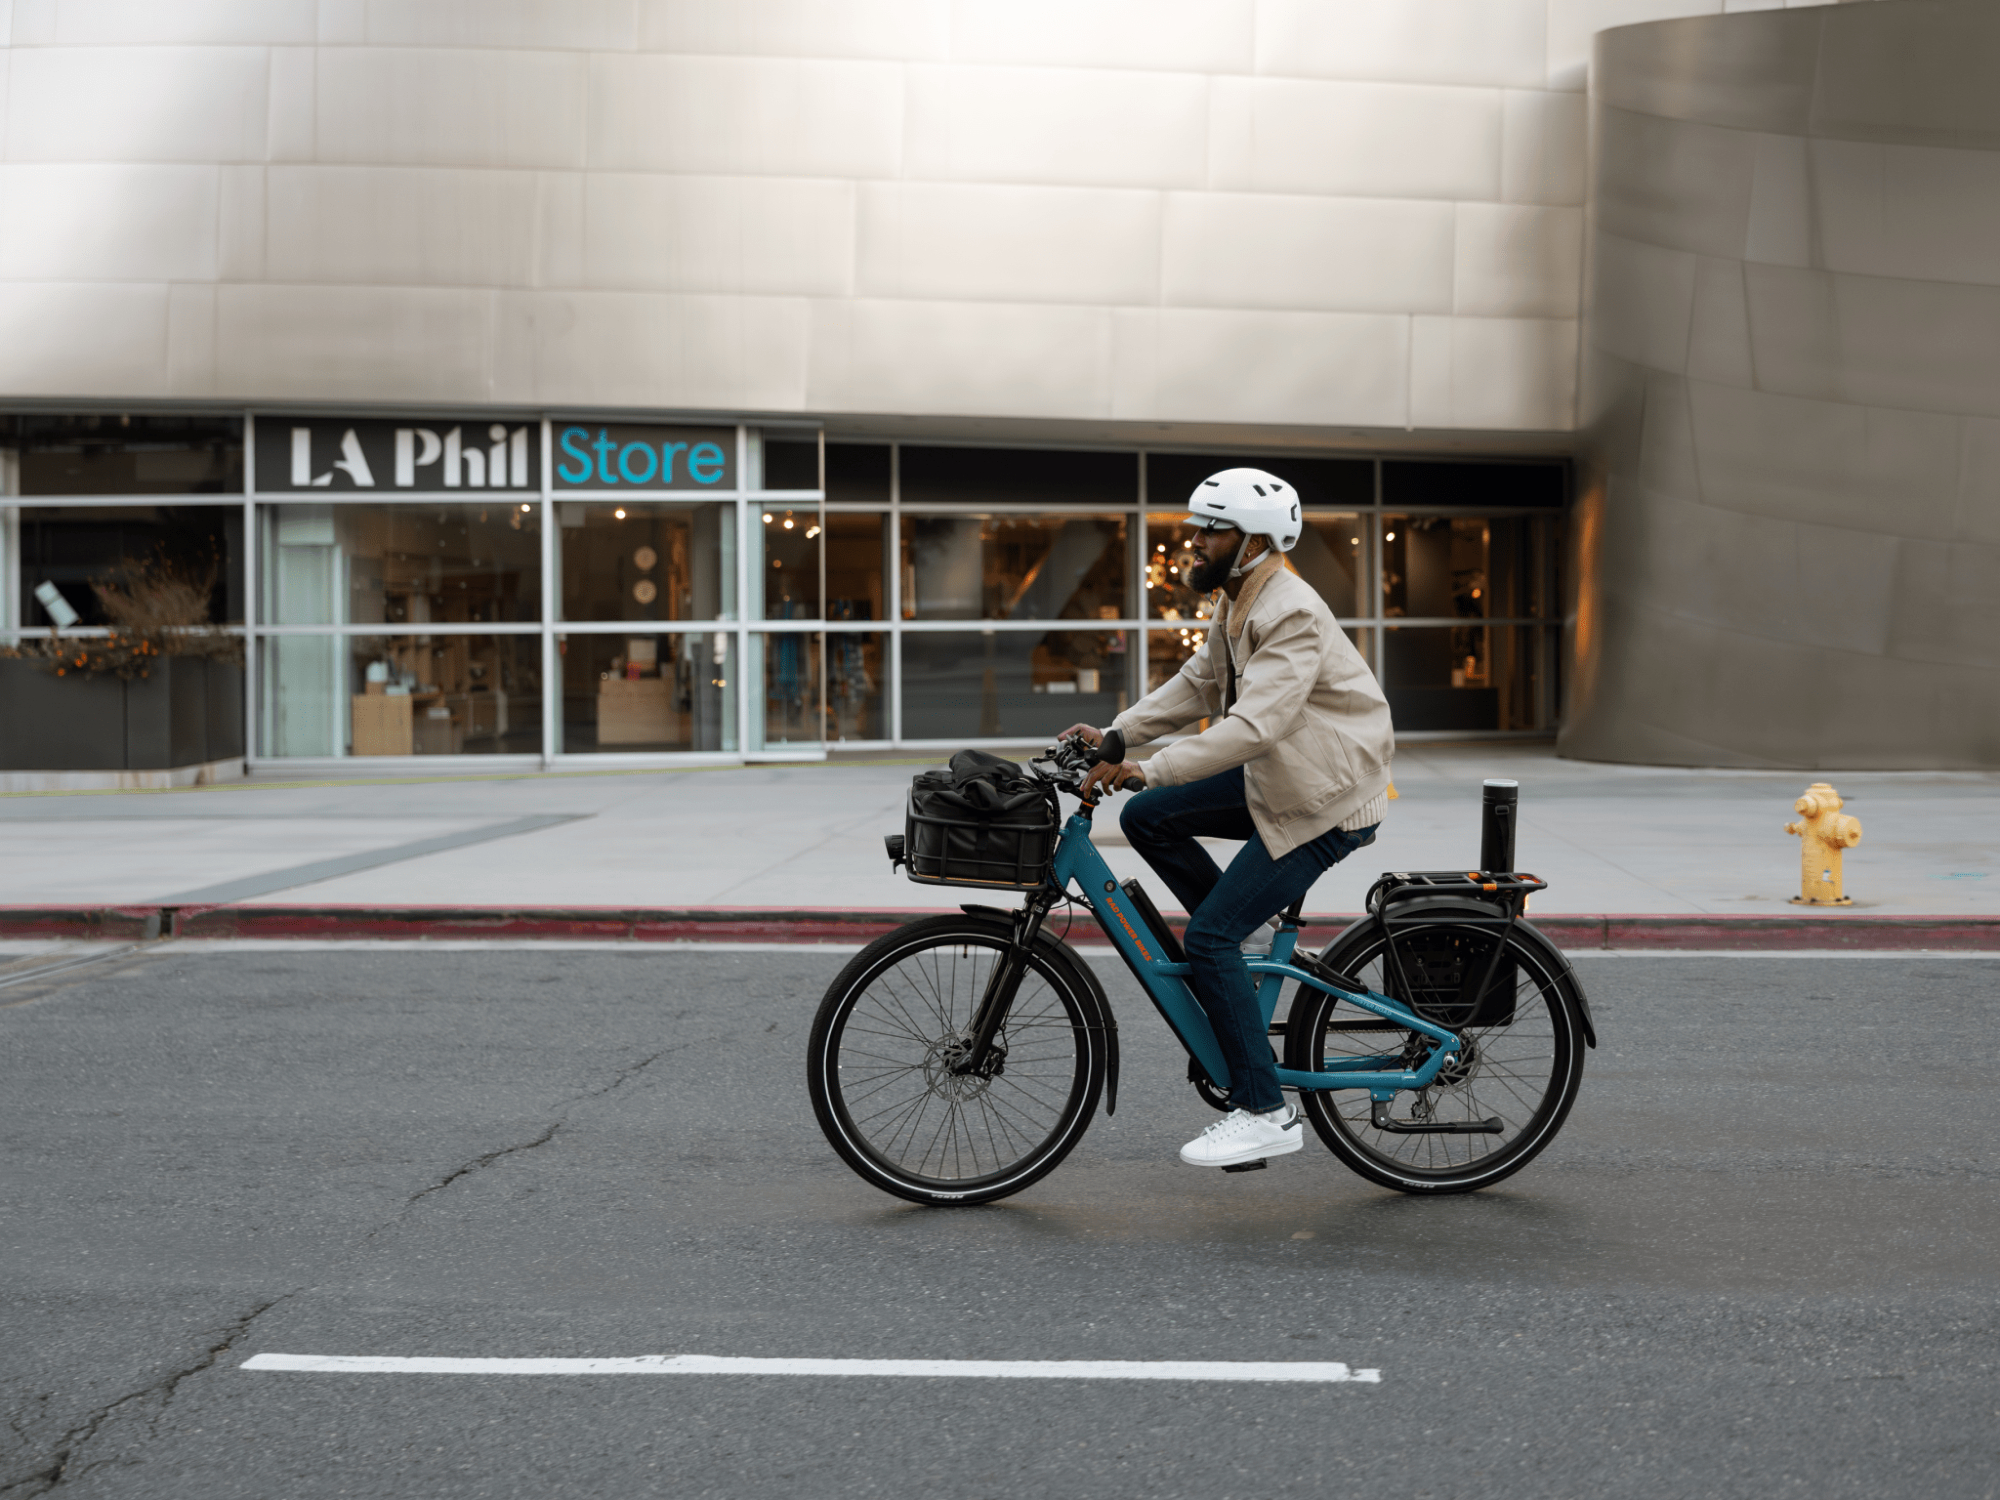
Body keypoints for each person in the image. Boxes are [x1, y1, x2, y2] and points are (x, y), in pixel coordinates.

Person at [1062, 467, 1394, 1169]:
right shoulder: (1239, 600)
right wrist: (1121, 737)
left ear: (1254, 541)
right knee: (1150, 819)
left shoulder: (1290, 610)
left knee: (1208, 938)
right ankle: (1251, 931)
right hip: (1287, 773)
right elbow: (1199, 684)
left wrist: (1151, 765)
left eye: (1210, 530)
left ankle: (1265, 1110)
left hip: (1325, 796)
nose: (1195, 541)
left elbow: (1253, 726)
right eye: (1197, 529)